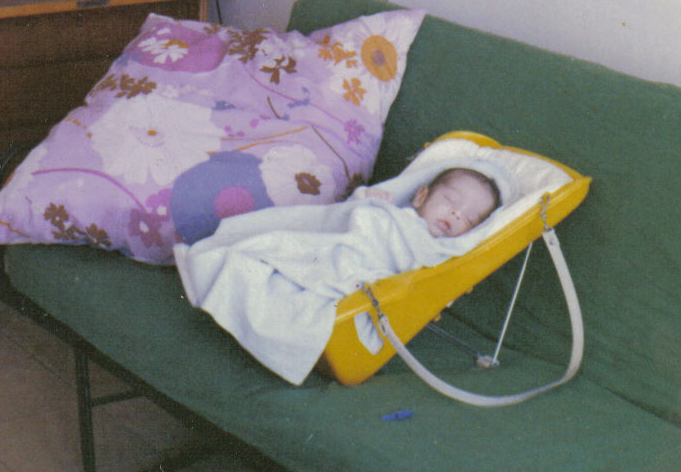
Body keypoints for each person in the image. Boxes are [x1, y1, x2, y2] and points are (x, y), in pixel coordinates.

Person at [174, 163, 501, 384]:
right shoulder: (392, 213)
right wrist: (368, 201)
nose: (457, 213)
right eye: (451, 201)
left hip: (365, 275)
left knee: (292, 285)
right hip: (340, 249)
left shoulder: (440, 252)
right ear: (420, 196)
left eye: (469, 219)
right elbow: (348, 220)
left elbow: (424, 280)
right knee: (263, 253)